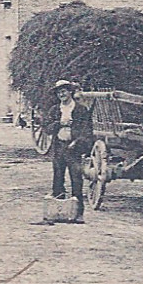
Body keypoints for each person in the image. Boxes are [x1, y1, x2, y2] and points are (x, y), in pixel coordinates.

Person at [48, 78, 94, 223]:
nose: (61, 94)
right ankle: (57, 212)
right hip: (59, 147)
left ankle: (78, 214)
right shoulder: (55, 110)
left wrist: (77, 142)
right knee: (57, 178)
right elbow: (47, 128)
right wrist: (58, 124)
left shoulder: (80, 109)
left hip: (74, 149)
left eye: (64, 91)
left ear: (70, 92)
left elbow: (87, 130)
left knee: (76, 180)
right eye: (59, 92)